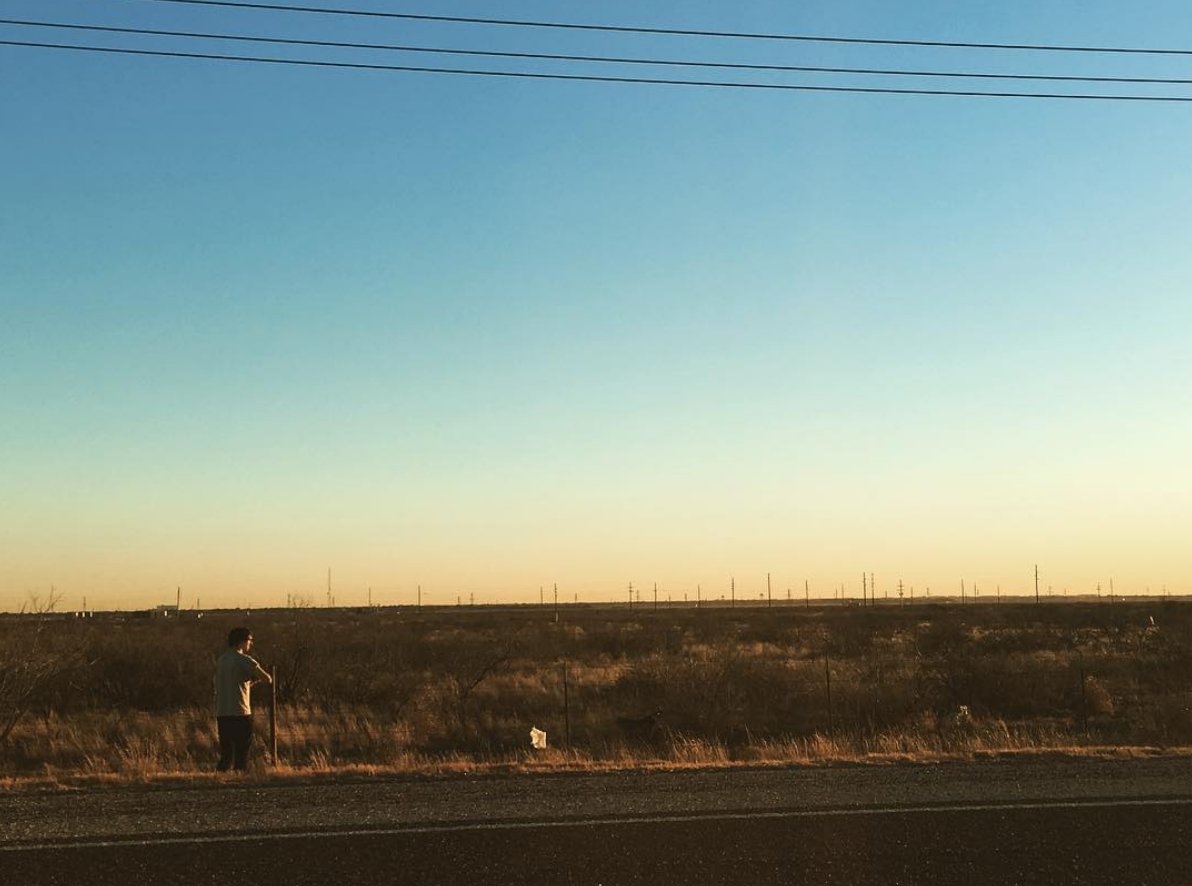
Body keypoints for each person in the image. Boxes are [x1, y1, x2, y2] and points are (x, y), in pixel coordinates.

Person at [214, 627, 272, 772]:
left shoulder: (221, 660)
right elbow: (267, 678)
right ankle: (240, 776)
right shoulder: (245, 660)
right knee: (242, 751)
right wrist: (254, 679)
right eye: (249, 640)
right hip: (240, 712)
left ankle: (220, 776)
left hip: (222, 712)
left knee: (226, 753)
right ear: (241, 641)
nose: (251, 643)